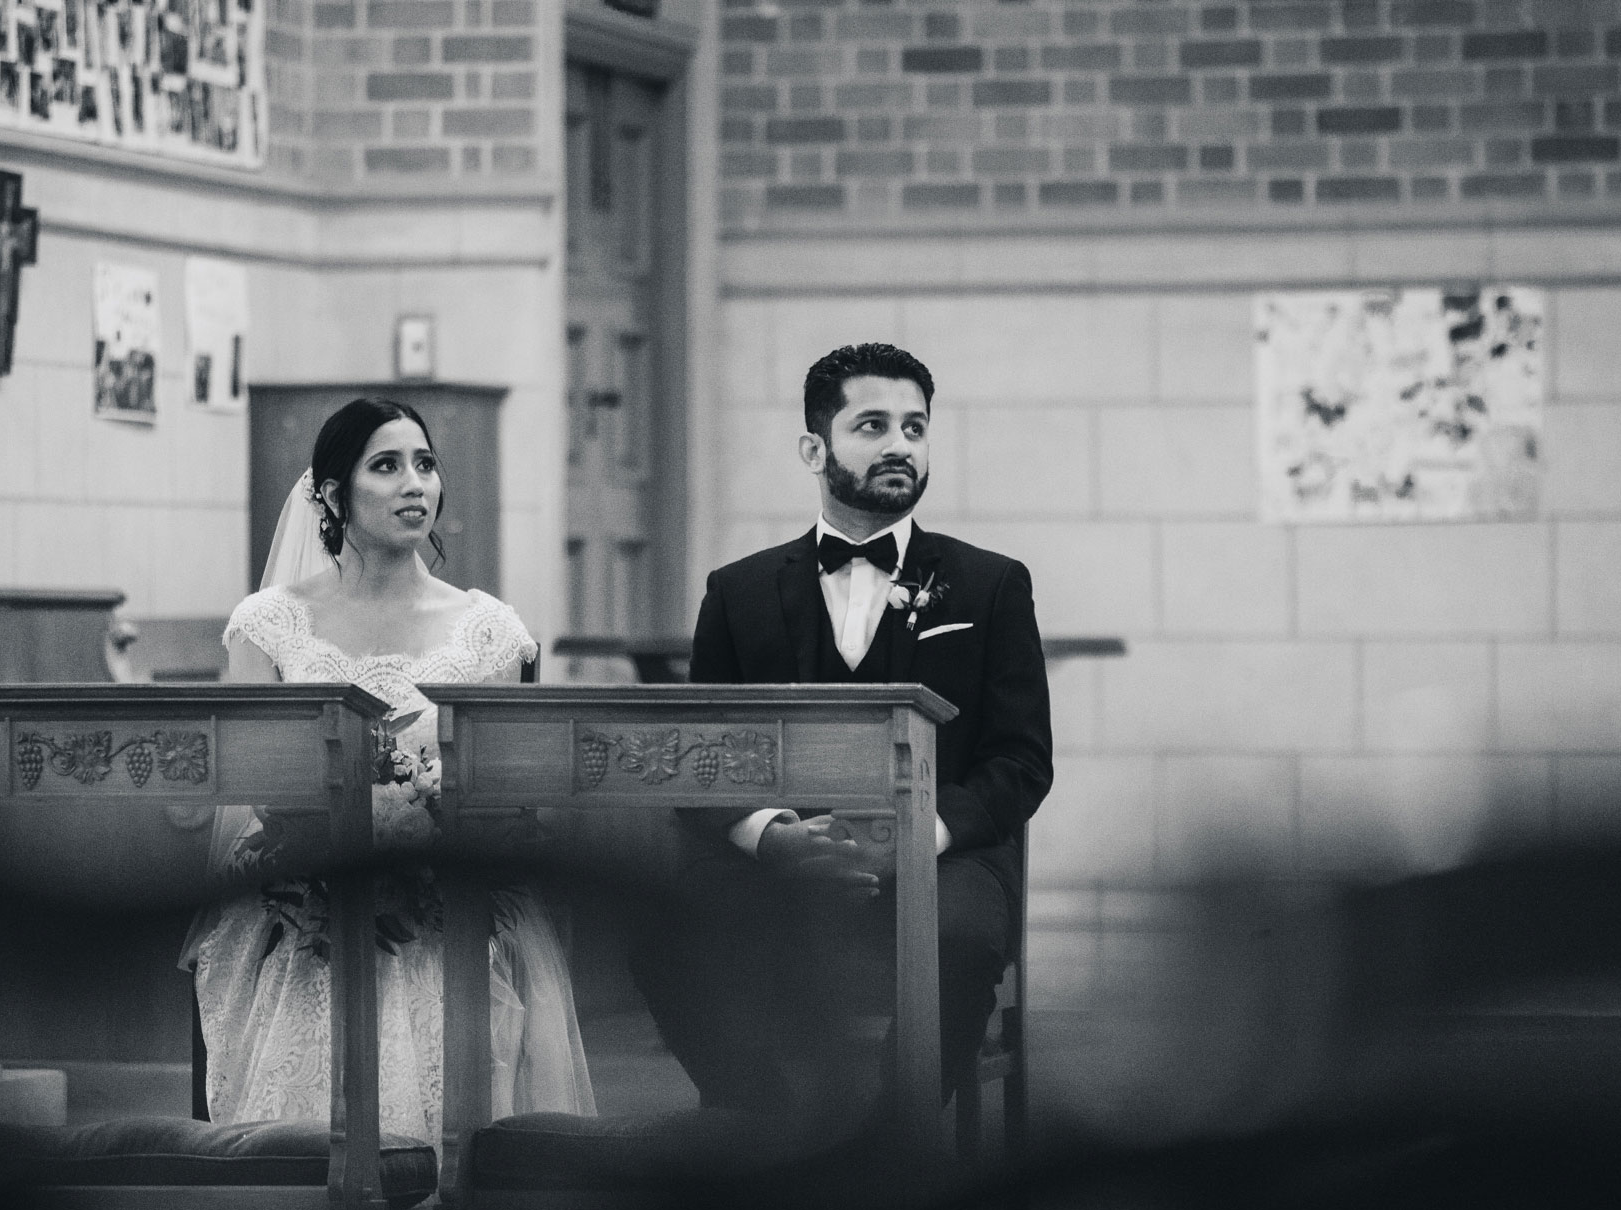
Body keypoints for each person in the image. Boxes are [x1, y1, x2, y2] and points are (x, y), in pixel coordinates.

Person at [631, 342, 1053, 1134]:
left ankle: (883, 1152)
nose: (901, 443)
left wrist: (920, 833)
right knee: (664, 931)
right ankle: (768, 1128)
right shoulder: (739, 591)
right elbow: (697, 756)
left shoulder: (992, 585)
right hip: (782, 860)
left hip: (944, 857)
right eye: (873, 424)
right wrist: (771, 836)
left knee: (959, 942)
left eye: (916, 426)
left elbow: (1022, 758)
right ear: (815, 448)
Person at [181, 397, 594, 1139]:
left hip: (452, 915)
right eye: (387, 465)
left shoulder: (490, 629)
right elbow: (246, 791)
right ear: (334, 495)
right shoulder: (267, 622)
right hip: (307, 911)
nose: (416, 484)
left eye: (425, 464)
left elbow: (511, 802)